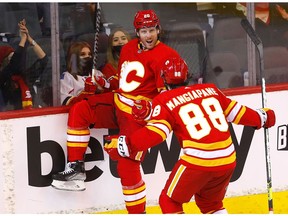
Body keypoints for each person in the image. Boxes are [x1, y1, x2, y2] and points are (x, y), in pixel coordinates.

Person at [103, 56, 276, 214]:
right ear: (188, 76)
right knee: (211, 204)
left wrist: (125, 144)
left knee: (169, 201)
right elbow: (239, 114)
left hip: (198, 160)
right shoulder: (211, 90)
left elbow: (156, 134)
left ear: (163, 79)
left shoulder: (164, 100)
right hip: (228, 159)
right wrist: (263, 117)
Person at [51, 9, 181, 214]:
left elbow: (169, 97)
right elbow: (123, 80)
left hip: (138, 117)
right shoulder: (129, 47)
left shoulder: (167, 56)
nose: (148, 35)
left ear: (158, 29)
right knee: (80, 109)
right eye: (143, 31)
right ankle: (76, 169)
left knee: (127, 166)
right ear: (137, 32)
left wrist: (150, 108)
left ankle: (137, 212)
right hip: (117, 103)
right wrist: (106, 82)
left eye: (151, 30)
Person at [0, 19, 48, 111]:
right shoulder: (3, 78)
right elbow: (14, 64)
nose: (16, 60)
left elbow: (44, 60)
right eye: (10, 58)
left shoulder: (26, 77)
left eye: (14, 56)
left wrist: (29, 39)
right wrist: (23, 39)